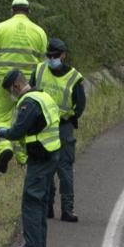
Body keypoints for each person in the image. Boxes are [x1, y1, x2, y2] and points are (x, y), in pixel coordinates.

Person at [0, 70, 60, 247]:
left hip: (41, 156)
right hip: (52, 152)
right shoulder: (43, 96)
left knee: (31, 200)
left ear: (17, 86)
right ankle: (39, 243)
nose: (11, 95)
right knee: (41, 199)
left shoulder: (28, 103)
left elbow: (17, 132)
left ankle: (33, 245)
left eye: (10, 91)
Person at [0, 0, 47, 174]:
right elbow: (43, 63)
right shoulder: (39, 32)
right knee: (25, 120)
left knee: (0, 118)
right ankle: (24, 159)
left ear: (12, 11)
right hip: (27, 85)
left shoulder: (0, 28)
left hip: (5, 84)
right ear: (29, 11)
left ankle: (4, 148)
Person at [31, 38, 85, 222]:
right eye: (49, 56)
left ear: (63, 56)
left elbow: (80, 104)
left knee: (64, 168)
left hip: (62, 127)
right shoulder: (39, 70)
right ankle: (48, 207)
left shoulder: (73, 77)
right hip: (43, 127)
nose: (51, 59)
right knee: (47, 167)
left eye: (55, 56)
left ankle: (67, 208)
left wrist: (70, 118)